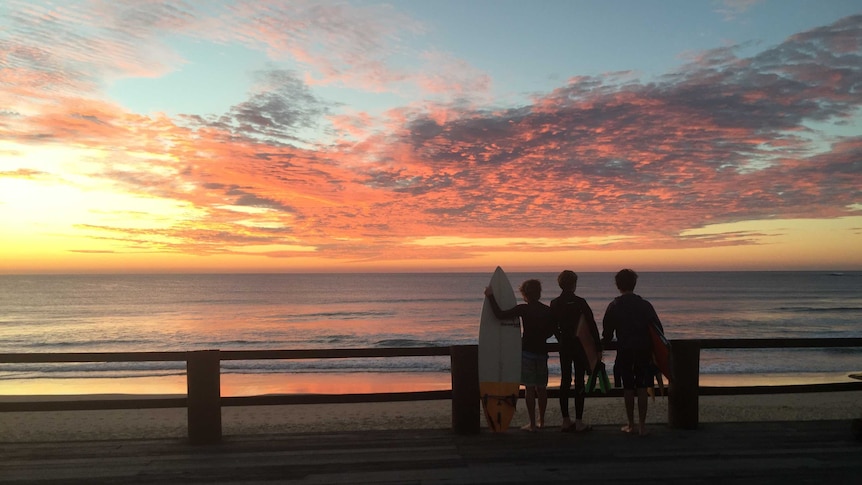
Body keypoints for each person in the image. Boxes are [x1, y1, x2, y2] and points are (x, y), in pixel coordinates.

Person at [484, 279, 554, 431]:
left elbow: (500, 315)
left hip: (527, 352)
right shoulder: (547, 310)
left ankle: (532, 424)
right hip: (542, 352)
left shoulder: (524, 309)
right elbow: (552, 331)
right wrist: (541, 337)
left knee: (529, 389)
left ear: (525, 294)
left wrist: (490, 296)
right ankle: (542, 421)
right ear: (539, 293)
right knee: (541, 388)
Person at [601, 269, 664, 436]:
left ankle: (631, 424)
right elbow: (658, 330)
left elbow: (607, 333)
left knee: (628, 388)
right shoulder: (645, 305)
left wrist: (602, 346)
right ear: (634, 284)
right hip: (644, 350)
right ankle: (642, 426)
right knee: (642, 387)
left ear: (618, 285)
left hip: (625, 350)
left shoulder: (614, 305)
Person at [550, 270, 599, 433]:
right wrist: (598, 345)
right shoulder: (580, 302)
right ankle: (578, 421)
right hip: (579, 345)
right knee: (579, 381)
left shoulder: (555, 303)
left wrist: (560, 337)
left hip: (565, 345)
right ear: (574, 284)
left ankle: (565, 420)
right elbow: (591, 324)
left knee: (565, 381)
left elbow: (552, 325)